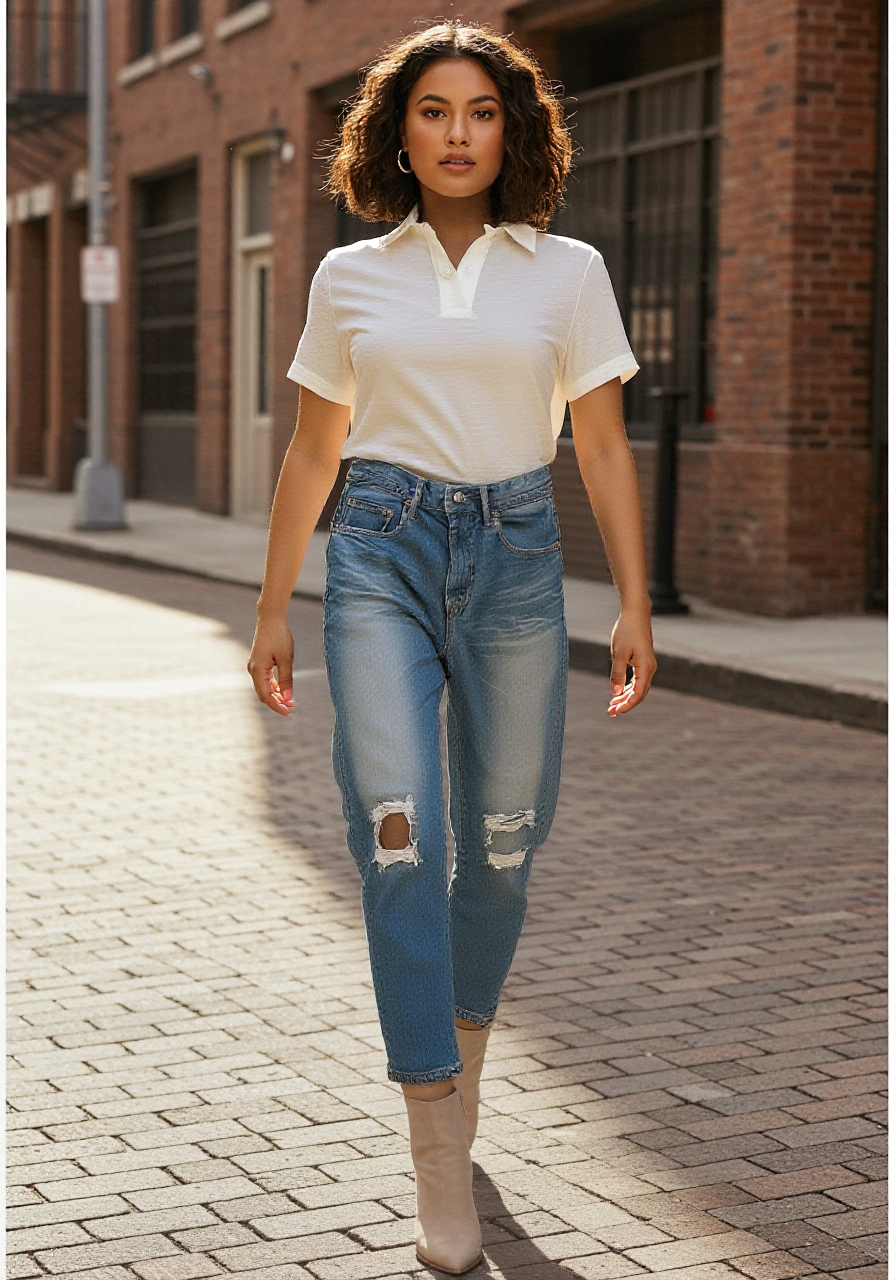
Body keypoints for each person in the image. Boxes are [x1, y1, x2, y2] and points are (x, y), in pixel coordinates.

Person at [248, 20, 656, 1274]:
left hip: (519, 561)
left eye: (480, 111)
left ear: (511, 129)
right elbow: (313, 448)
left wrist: (633, 601)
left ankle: (461, 1070)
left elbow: (598, 445)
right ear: (398, 132)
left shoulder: (567, 271)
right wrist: (270, 606)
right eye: (432, 111)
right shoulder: (348, 276)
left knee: (502, 843)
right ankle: (435, 1136)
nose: (457, 134)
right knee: (397, 833)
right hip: (377, 552)